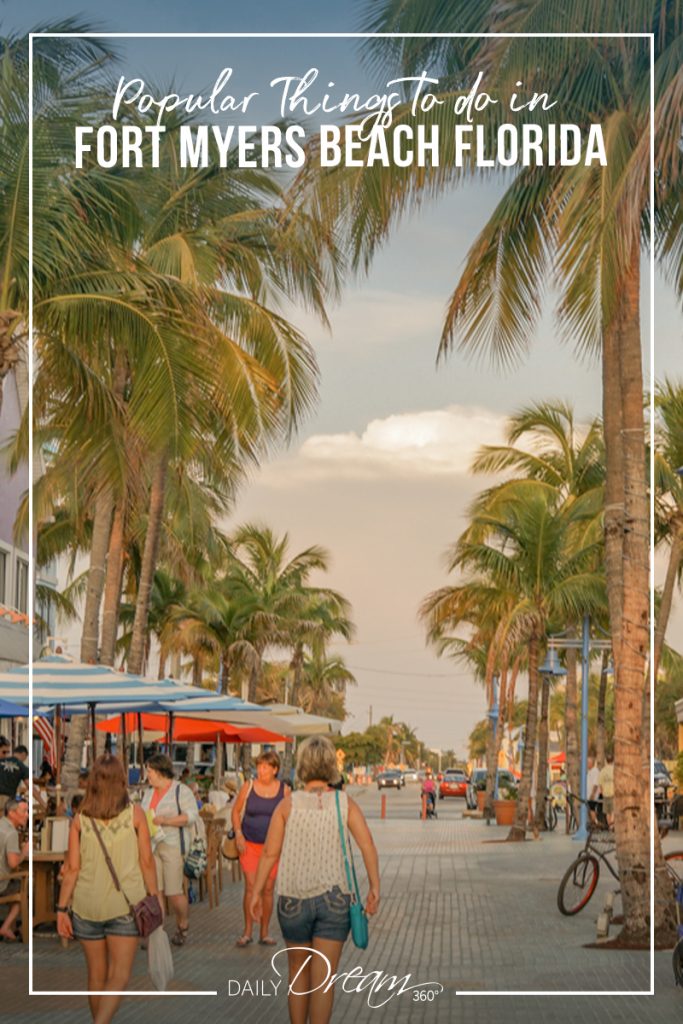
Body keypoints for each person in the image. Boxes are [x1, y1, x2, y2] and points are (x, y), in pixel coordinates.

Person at [251, 736, 380, 1024]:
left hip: (292, 899)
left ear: (302, 766)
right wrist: (375, 887)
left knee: (298, 973)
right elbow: (367, 844)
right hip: (334, 901)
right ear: (331, 765)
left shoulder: (287, 805)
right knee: (324, 979)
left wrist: (256, 893)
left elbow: (270, 854)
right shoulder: (344, 803)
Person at [56, 755, 160, 1024]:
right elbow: (146, 862)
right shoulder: (135, 815)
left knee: (96, 976)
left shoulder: (80, 820)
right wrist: (155, 897)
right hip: (125, 906)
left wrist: (61, 909)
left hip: (85, 906)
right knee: (119, 977)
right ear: (121, 781)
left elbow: (72, 870)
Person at [141, 752, 198, 946]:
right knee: (155, 890)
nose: (147, 775)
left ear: (160, 771)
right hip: (153, 844)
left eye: (150, 771)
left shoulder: (180, 791)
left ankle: (183, 922)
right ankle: (157, 933)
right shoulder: (148, 793)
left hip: (173, 844)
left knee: (173, 892)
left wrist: (166, 820)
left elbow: (191, 816)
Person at [232, 750, 286, 947]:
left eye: (265, 767)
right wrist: (238, 833)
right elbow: (236, 812)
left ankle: (264, 932)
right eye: (259, 766)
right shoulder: (248, 787)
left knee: (268, 889)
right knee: (251, 887)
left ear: (275, 769)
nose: (260, 770)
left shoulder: (284, 790)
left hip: (272, 849)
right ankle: (247, 932)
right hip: (249, 845)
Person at [0, 798, 29, 941]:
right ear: (12, 813)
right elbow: (13, 864)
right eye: (24, 811)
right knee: (22, 888)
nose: (27, 815)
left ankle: (11, 926)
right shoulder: (11, 833)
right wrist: (24, 851)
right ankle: (6, 927)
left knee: (16, 882)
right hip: (1, 883)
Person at [0, 744, 29, 812]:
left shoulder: (1, 760)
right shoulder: (21, 766)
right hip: (7, 799)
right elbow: (29, 785)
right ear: (23, 754)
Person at [599, 751, 615, 828]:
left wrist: (602, 792)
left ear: (606, 760)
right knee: (613, 811)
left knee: (607, 812)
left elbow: (600, 783)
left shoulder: (603, 771)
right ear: (613, 760)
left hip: (605, 794)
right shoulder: (615, 770)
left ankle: (610, 826)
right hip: (613, 793)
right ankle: (612, 825)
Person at [586, 756, 601, 824]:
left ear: (592, 763)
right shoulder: (589, 771)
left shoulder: (595, 771)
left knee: (592, 809)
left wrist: (593, 794)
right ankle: (594, 823)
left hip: (592, 795)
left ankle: (596, 823)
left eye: (588, 763)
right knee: (590, 809)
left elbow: (595, 784)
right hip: (588, 794)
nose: (587, 764)